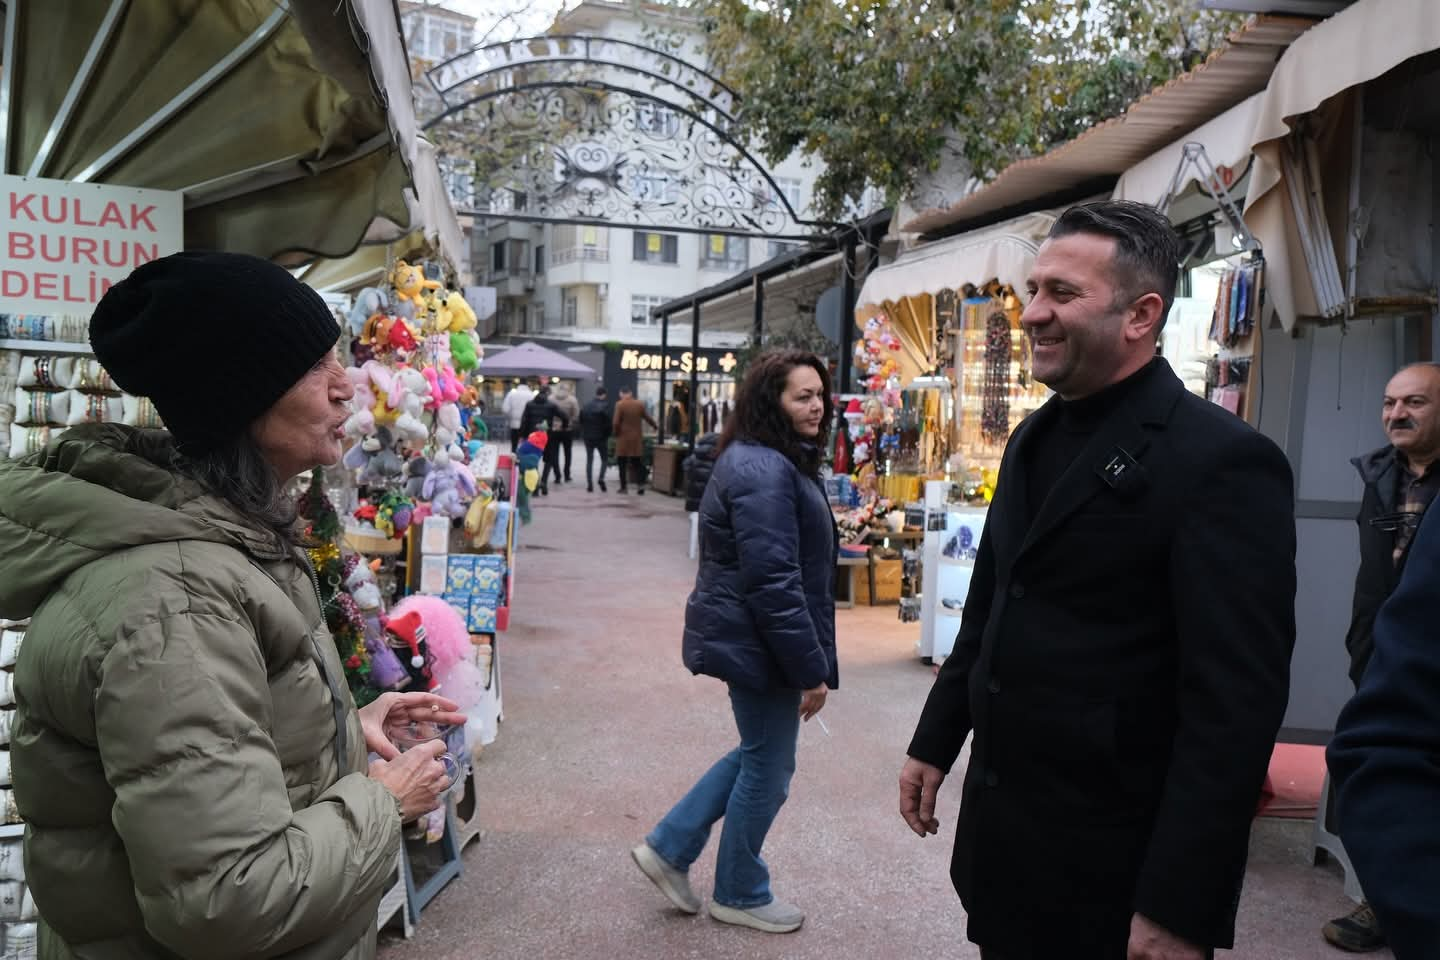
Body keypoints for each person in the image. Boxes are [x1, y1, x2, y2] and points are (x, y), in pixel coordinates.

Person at [0, 252, 466, 960]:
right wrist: (383, 800)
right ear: (240, 399)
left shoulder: (224, 543)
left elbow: (224, 757)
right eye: (316, 366)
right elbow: (228, 897)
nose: (348, 387)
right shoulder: (174, 601)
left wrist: (343, 727)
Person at [897, 200, 1297, 960]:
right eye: (1033, 289)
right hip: (1007, 851)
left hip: (1116, 871)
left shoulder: (1221, 462)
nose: (1032, 314)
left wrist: (1180, 903)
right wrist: (935, 741)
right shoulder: (1034, 436)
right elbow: (989, 612)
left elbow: (1234, 706)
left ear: (1142, 314)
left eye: (1061, 295)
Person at [631, 350, 837, 935]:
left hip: (753, 638)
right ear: (770, 401)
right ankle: (739, 891)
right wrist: (809, 667)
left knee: (758, 752)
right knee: (769, 766)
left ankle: (670, 847)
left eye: (819, 393)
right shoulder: (764, 469)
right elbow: (774, 581)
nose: (817, 405)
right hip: (761, 643)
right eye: (802, 395)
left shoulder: (766, 461)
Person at [1323, 360, 1440, 953]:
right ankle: (1381, 898)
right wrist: (1362, 647)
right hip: (1379, 647)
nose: (1397, 415)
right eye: (1391, 403)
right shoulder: (1379, 475)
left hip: (1431, 660)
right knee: (1372, 763)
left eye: (1415, 403)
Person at [521, 385, 569, 496]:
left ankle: (536, 486)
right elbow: (565, 416)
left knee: (533, 461)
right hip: (547, 437)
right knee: (549, 460)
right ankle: (544, 481)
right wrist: (564, 427)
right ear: (547, 394)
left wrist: (524, 436)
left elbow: (524, 421)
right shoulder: (551, 406)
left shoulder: (529, 405)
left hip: (532, 438)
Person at [613, 386, 658, 494]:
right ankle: (640, 486)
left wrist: (616, 433)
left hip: (623, 439)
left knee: (622, 464)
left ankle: (623, 487)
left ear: (622, 394)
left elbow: (615, 422)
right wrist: (655, 426)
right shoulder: (639, 404)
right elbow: (647, 417)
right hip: (636, 439)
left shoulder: (620, 404)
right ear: (631, 393)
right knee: (637, 463)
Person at [580, 386, 614, 492]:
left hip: (588, 437)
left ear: (596, 394)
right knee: (604, 459)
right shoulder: (606, 406)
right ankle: (601, 478)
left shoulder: (586, 406)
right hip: (601, 437)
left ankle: (590, 484)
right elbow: (609, 423)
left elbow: (581, 420)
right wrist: (607, 435)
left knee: (589, 460)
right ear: (604, 394)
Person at [550, 381, 582, 483]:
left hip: (554, 429)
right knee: (567, 453)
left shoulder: (551, 399)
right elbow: (576, 414)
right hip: (567, 429)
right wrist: (570, 422)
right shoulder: (572, 400)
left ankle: (557, 475)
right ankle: (567, 475)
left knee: (554, 453)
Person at [502, 379, 536, 452]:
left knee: (514, 444)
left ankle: (513, 458)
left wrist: (511, 416)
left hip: (514, 423)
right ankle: (524, 460)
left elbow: (505, 409)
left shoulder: (512, 394)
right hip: (527, 424)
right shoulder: (531, 395)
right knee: (526, 444)